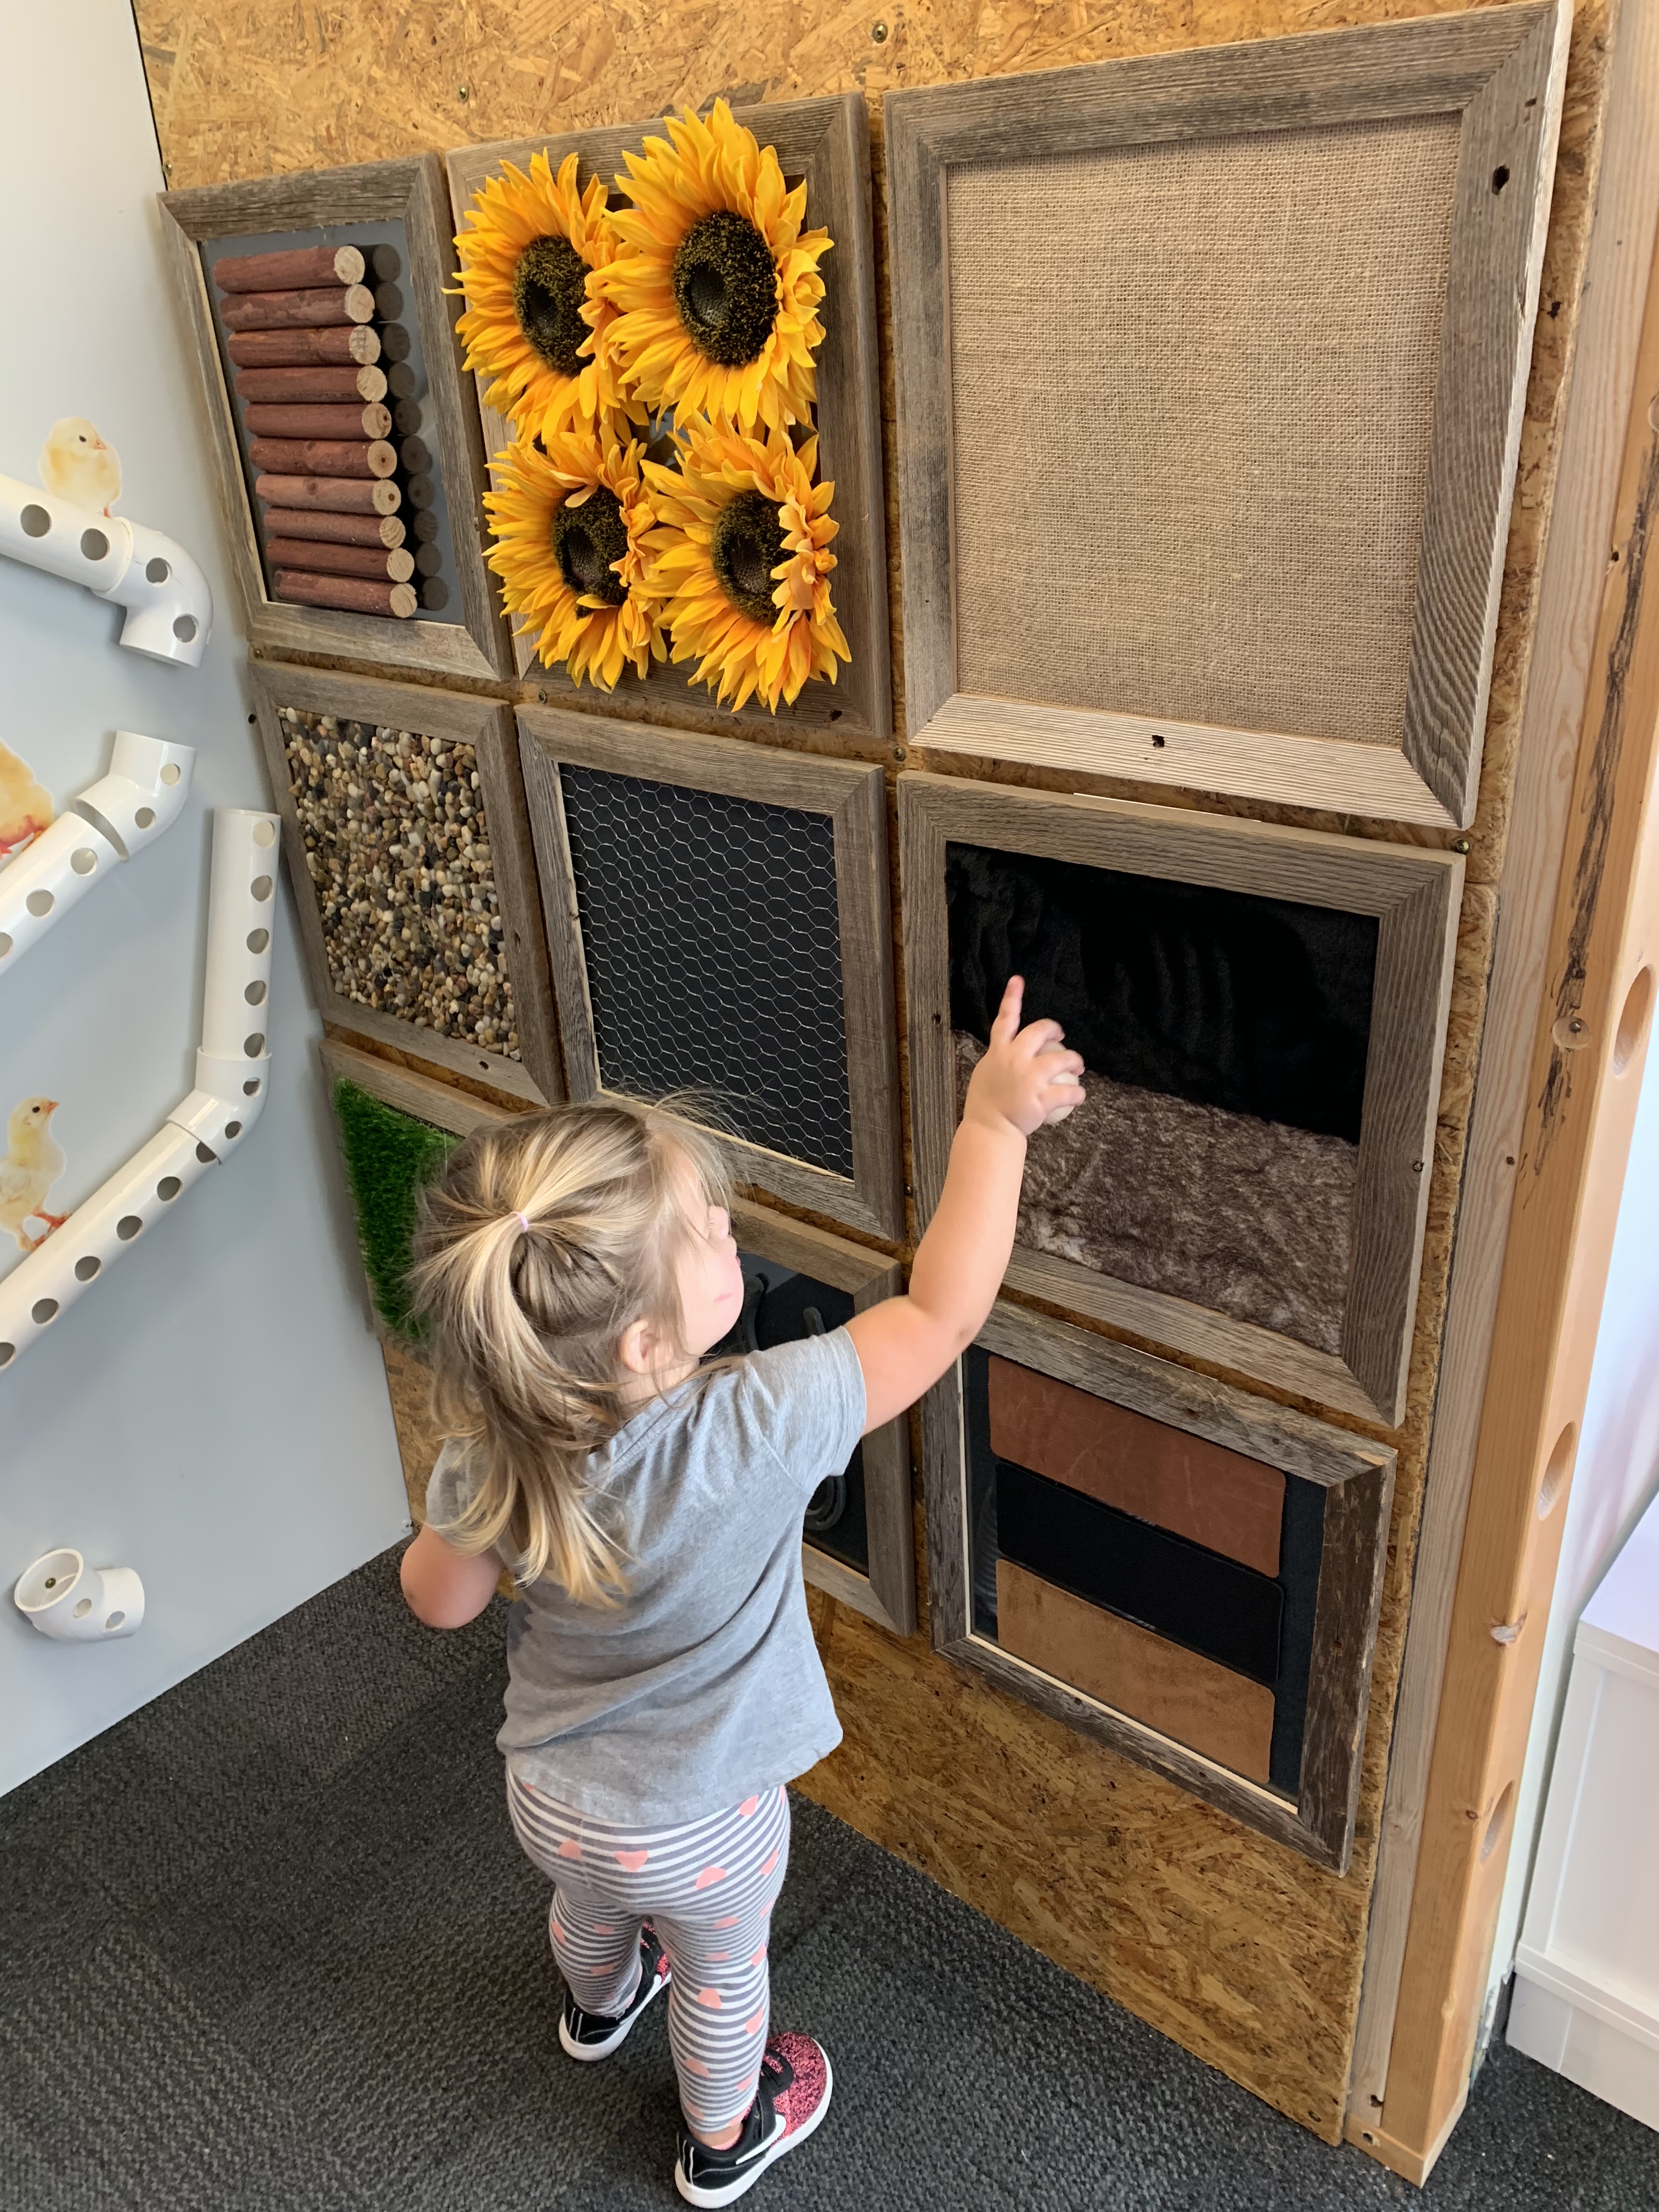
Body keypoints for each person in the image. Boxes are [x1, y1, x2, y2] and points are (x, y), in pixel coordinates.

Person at [399, 977, 1084, 2205]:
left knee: (593, 1905)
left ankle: (600, 2004)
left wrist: (462, 1514)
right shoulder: (760, 1422)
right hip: (705, 1829)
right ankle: (727, 2135)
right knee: (722, 1979)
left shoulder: (494, 1453)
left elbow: (440, 1601)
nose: (729, 1230)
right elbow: (940, 1313)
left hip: (552, 1800)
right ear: (645, 1345)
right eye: (707, 1233)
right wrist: (993, 1124)